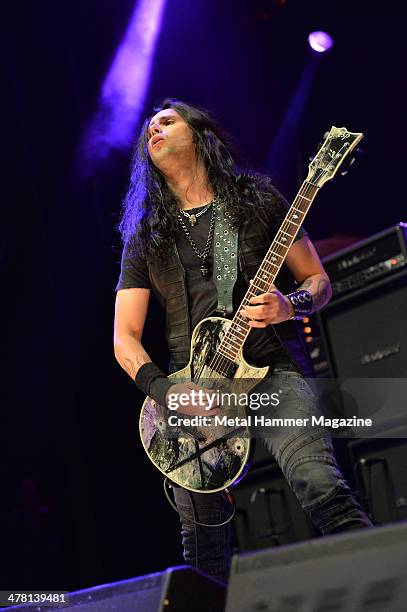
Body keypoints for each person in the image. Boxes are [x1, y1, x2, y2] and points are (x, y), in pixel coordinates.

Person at [113, 98, 373, 583]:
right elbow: (124, 338)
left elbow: (318, 280)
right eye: (149, 127)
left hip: (272, 372)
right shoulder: (145, 236)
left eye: (168, 121)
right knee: (202, 549)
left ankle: (383, 582)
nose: (155, 129)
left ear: (199, 134)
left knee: (320, 485)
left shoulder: (257, 200)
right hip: (193, 397)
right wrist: (168, 392)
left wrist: (289, 304)